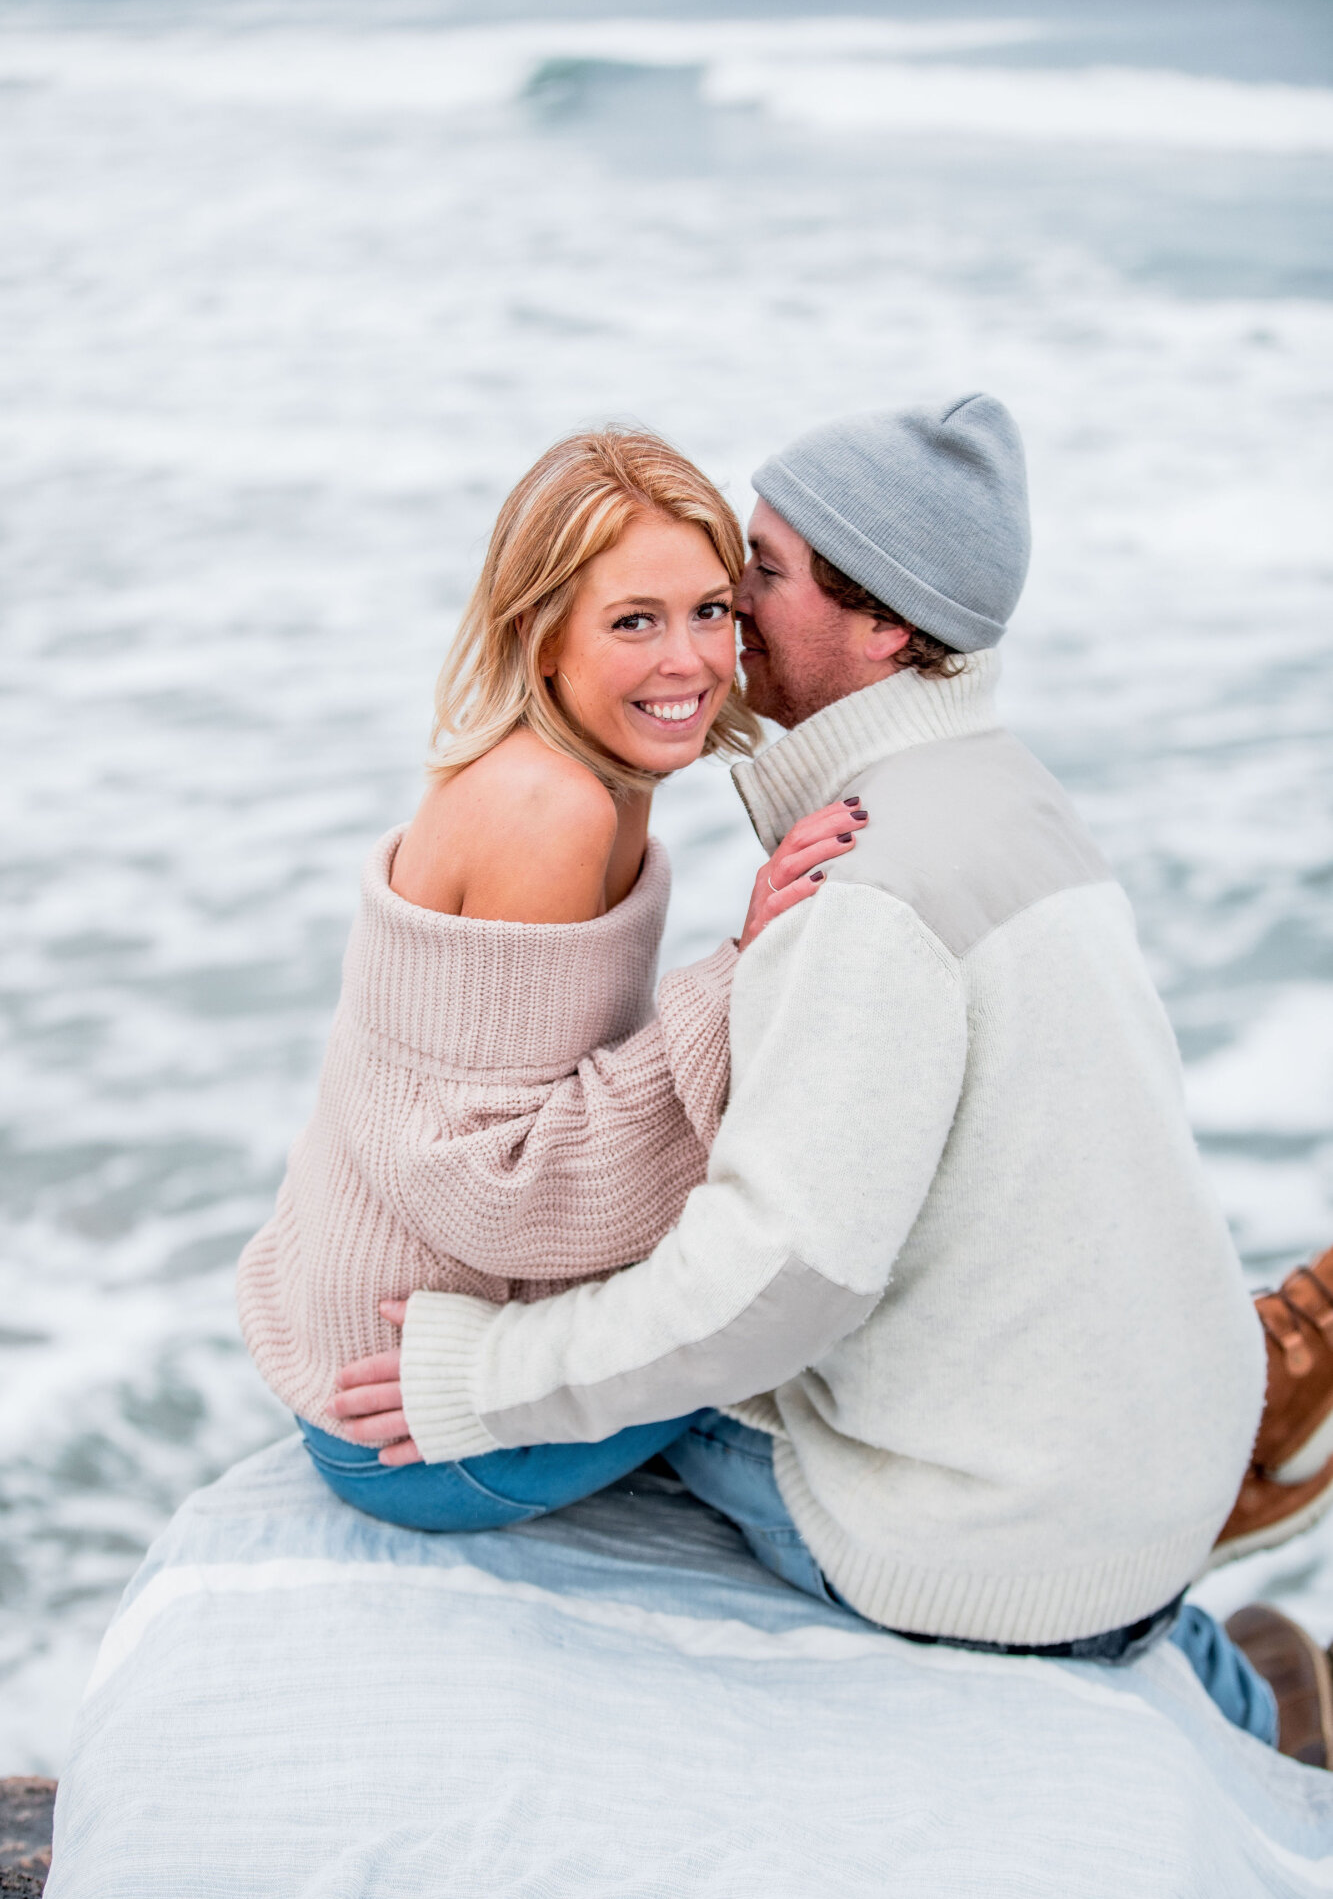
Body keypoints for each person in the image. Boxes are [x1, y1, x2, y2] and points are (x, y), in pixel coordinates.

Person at [331, 396, 1333, 1765]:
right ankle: (1244, 1681)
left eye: (760, 570)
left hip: (1003, 1553)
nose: (725, 611)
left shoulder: (866, 886)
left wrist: (483, 1378)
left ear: (884, 629)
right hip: (1156, 1459)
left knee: (664, 1368)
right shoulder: (1008, 792)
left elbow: (771, 1289)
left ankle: (1113, 1565)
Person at [238, 426, 853, 1522]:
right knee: (828, 1347)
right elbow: (503, 1186)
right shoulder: (549, 804)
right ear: (542, 635)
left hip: (421, 1335)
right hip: (415, 1421)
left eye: (711, 609)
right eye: (634, 622)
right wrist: (748, 962)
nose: (692, 662)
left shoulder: (605, 764)